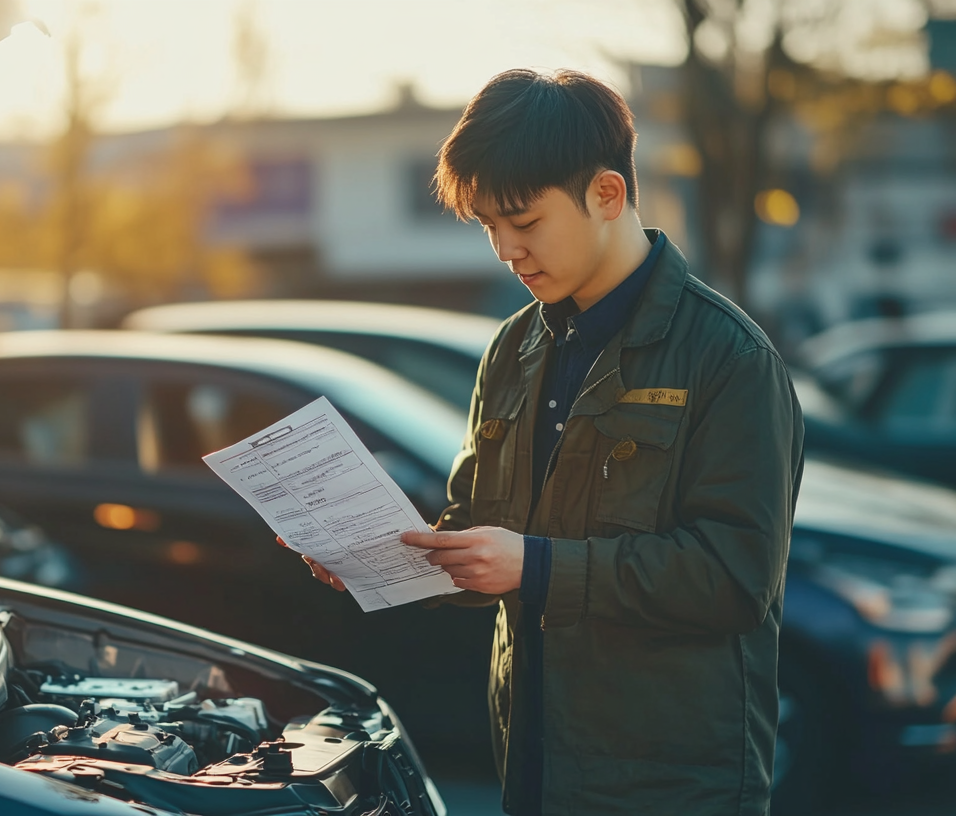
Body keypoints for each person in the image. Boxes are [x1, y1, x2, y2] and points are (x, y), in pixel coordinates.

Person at [296, 69, 803, 815]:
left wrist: (536, 565)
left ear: (607, 194)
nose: (505, 250)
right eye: (488, 228)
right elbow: (480, 537)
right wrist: (386, 560)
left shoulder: (728, 358)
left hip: (674, 785)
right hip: (533, 769)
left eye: (524, 222)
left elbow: (734, 579)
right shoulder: (512, 350)